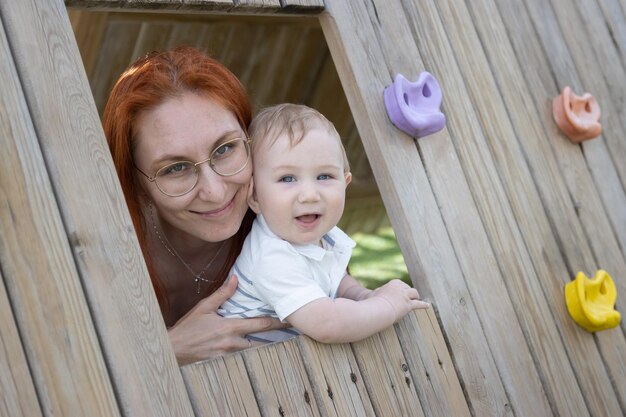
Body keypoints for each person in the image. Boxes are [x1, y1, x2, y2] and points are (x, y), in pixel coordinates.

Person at [102, 46, 286, 365]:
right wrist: (165, 351)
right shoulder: (100, 255)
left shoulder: (291, 220)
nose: (215, 192)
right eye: (175, 168)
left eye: (226, 149)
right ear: (135, 181)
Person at [218, 104, 430, 344]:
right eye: (287, 178)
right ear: (255, 196)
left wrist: (364, 296)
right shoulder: (271, 255)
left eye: (324, 177)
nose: (309, 194)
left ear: (345, 183)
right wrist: (388, 305)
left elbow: (336, 278)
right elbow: (328, 325)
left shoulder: (327, 236)